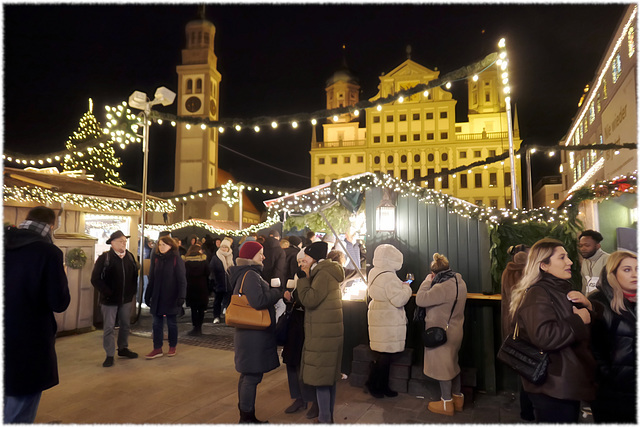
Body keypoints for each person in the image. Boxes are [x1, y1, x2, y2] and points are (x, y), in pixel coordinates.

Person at [508, 238, 596, 423]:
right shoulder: (538, 293)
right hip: (553, 384)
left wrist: (588, 306)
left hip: (562, 381)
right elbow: (544, 337)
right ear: (544, 266)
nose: (570, 261)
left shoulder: (558, 289)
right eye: (562, 257)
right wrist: (579, 319)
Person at [4, 206, 71, 423]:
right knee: (21, 407)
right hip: (28, 341)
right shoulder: (49, 253)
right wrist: (62, 277)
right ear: (51, 226)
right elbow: (59, 302)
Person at [228, 241, 283, 423]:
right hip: (253, 335)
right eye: (260, 253)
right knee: (252, 377)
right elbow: (258, 301)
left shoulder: (247, 273)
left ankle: (246, 415)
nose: (264, 256)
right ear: (251, 256)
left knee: (248, 376)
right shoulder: (251, 274)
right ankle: (247, 418)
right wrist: (277, 293)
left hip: (249, 335)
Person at [297, 241, 345, 424]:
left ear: (314, 258)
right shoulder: (325, 271)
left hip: (323, 333)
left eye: (306, 257)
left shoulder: (322, 274)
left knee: (321, 379)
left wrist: (302, 279)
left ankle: (325, 420)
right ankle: (327, 417)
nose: (303, 260)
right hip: (327, 331)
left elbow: (310, 299)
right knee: (328, 378)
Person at [587, 251, 637, 423]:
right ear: (613, 273)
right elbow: (592, 348)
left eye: (638, 269)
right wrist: (608, 378)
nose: (635, 274)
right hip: (612, 393)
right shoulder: (598, 302)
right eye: (627, 269)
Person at [416, 253, 468, 416]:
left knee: (443, 367)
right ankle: (457, 398)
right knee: (453, 364)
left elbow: (421, 299)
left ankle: (446, 403)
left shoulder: (442, 286)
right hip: (456, 331)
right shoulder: (460, 282)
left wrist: (426, 281)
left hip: (441, 334)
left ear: (435, 273)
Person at [365, 244, 412, 399]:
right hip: (388, 319)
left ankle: (379, 385)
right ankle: (376, 386)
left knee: (381, 356)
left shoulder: (374, 272)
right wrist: (407, 288)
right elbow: (399, 299)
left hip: (379, 316)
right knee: (385, 357)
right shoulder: (389, 276)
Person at [90, 230, 139, 367]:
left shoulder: (129, 257)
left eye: (125, 241)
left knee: (125, 325)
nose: (124, 243)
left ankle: (123, 348)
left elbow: (134, 276)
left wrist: (132, 291)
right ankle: (109, 354)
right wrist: (107, 292)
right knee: (109, 327)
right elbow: (95, 279)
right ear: (112, 243)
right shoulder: (105, 258)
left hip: (126, 299)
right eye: (120, 241)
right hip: (109, 300)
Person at [499, 244, 534, 421]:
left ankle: (526, 411)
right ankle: (530, 411)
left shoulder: (507, 271)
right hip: (525, 327)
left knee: (524, 370)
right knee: (531, 368)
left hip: (511, 326)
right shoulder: (527, 273)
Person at [281, 248, 316, 417]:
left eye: (304, 261)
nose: (301, 264)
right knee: (292, 360)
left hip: (310, 324)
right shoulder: (299, 276)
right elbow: (298, 299)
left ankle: (313, 400)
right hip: (295, 324)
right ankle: (298, 398)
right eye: (299, 261)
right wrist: (289, 300)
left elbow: (310, 300)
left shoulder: (316, 276)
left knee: (308, 364)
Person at [144, 236, 187, 359]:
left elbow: (182, 280)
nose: (161, 247)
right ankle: (157, 348)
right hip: (157, 297)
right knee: (156, 324)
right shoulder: (156, 259)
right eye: (160, 245)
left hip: (171, 296)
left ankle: (172, 346)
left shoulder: (176, 259)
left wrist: (181, 296)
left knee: (171, 323)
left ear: (170, 246)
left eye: (164, 245)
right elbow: (152, 278)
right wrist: (148, 295)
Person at [183, 244, 210, 336]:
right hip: (202, 286)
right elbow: (208, 273)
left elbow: (184, 274)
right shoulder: (204, 261)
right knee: (201, 309)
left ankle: (195, 327)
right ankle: (199, 328)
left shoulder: (186, 262)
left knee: (193, 308)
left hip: (191, 286)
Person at [210, 238, 235, 324]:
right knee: (217, 301)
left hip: (229, 283)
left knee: (229, 301)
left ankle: (228, 317)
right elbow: (212, 270)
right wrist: (214, 282)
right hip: (219, 283)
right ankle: (216, 316)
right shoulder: (216, 257)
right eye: (222, 247)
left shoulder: (231, 256)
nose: (224, 248)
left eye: (225, 247)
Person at [578, 230, 610, 295]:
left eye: (586, 245)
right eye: (581, 246)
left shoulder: (609, 260)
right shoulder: (585, 261)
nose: (582, 249)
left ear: (598, 246)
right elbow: (585, 286)